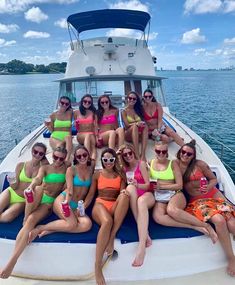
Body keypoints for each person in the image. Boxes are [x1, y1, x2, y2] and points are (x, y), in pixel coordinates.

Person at [0, 146, 68, 279]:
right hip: (37, 196)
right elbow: (37, 179)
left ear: (65, 158)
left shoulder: (67, 168)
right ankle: (26, 216)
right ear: (51, 156)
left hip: (48, 202)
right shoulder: (45, 168)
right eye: (55, 157)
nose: (58, 160)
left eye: (61, 158)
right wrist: (30, 186)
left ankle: (11, 263)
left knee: (30, 222)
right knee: (36, 188)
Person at [176, 140, 235, 276]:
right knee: (219, 220)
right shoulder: (175, 165)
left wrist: (209, 186)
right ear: (179, 152)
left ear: (193, 156)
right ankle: (231, 258)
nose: (185, 155)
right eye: (183, 152)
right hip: (198, 201)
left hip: (213, 194)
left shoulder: (200, 164)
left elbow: (213, 179)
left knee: (231, 222)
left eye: (189, 154)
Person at [28, 146, 93, 240]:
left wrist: (83, 207)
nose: (82, 157)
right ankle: (40, 228)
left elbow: (90, 194)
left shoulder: (91, 170)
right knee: (72, 224)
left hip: (78, 205)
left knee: (87, 225)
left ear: (88, 155)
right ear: (75, 157)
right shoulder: (71, 169)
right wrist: (66, 204)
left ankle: (53, 229)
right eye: (79, 156)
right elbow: (70, 190)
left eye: (84, 155)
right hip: (63, 201)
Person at [84, 148, 129, 285]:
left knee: (124, 195)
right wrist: (82, 208)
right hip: (100, 205)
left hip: (114, 205)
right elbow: (91, 195)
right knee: (107, 221)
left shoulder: (120, 175)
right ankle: (97, 266)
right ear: (102, 161)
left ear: (115, 160)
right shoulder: (97, 174)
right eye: (105, 160)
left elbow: (123, 191)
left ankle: (111, 236)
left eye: (111, 159)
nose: (108, 162)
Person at [151, 142, 212, 237]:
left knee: (172, 210)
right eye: (158, 151)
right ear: (154, 151)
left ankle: (206, 225)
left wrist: (161, 186)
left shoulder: (173, 163)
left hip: (175, 193)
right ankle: (194, 226)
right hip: (160, 196)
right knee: (158, 218)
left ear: (167, 151)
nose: (161, 153)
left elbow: (180, 185)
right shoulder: (150, 163)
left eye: (164, 151)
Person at [118, 143, 154, 267]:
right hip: (134, 197)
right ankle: (146, 235)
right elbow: (115, 167)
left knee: (140, 200)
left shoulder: (141, 164)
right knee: (130, 188)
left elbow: (148, 185)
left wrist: (137, 184)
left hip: (147, 195)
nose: (128, 156)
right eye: (125, 155)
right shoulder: (124, 169)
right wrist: (118, 155)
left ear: (133, 152)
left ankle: (141, 247)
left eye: (130, 153)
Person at [0, 142, 48, 223]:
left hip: (23, 200)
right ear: (32, 151)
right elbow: (14, 187)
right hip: (11, 192)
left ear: (43, 155)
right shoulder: (21, 165)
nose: (37, 155)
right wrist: (11, 181)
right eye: (35, 152)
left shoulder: (42, 169)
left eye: (41, 153)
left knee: (6, 218)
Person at [122, 91, 148, 160]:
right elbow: (127, 125)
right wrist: (136, 123)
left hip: (138, 134)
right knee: (134, 126)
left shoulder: (138, 109)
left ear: (136, 100)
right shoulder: (124, 111)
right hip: (128, 134)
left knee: (145, 126)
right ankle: (136, 153)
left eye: (134, 99)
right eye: (130, 98)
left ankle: (143, 154)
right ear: (127, 99)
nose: (132, 100)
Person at [45, 96, 73, 162]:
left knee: (68, 137)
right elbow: (52, 131)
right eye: (62, 103)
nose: (64, 105)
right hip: (55, 137)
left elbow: (81, 113)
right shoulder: (53, 115)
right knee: (60, 146)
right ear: (59, 102)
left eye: (66, 104)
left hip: (67, 137)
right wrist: (48, 126)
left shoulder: (70, 113)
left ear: (69, 105)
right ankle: (56, 161)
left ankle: (67, 160)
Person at [74, 94, 97, 161]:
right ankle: (87, 158)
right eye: (85, 101)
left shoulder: (93, 112)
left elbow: (95, 126)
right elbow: (77, 129)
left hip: (91, 133)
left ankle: (92, 162)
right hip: (81, 134)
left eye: (89, 102)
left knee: (93, 147)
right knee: (88, 135)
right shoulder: (76, 112)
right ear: (82, 101)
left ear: (91, 103)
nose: (87, 103)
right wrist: (76, 125)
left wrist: (97, 137)